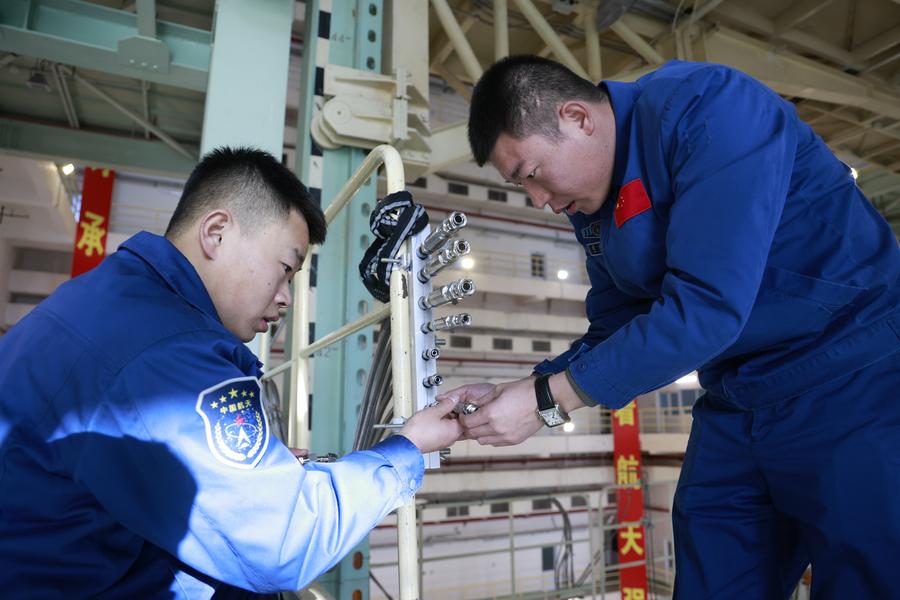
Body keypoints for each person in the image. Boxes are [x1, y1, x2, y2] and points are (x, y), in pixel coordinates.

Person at [444, 55, 900, 598]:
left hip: (853, 378)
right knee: (711, 570)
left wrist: (547, 401)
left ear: (578, 118)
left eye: (531, 175)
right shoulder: (592, 208)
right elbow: (615, 326)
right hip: (739, 396)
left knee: (868, 575)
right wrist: (528, 386)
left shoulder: (710, 107)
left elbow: (706, 308)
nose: (538, 201)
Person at [0, 147, 462, 597]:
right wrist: (407, 448)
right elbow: (286, 541)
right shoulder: (169, 352)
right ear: (216, 232)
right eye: (285, 268)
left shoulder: (112, 295)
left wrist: (249, 472)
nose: (286, 298)